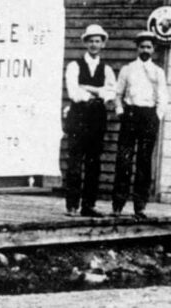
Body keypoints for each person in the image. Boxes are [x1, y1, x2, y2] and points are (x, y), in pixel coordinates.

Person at [112, 30, 168, 219]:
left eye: (149, 47)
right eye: (142, 46)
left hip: (148, 117)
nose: (145, 50)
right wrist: (121, 111)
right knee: (124, 160)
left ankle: (140, 206)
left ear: (153, 49)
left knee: (144, 162)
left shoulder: (158, 72)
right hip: (131, 114)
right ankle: (118, 204)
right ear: (137, 48)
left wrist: (156, 116)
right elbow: (118, 94)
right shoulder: (127, 69)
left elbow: (163, 98)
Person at [63, 24, 116, 217]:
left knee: (94, 162)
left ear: (103, 44)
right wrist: (94, 94)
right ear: (85, 43)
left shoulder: (107, 69)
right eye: (91, 41)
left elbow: (111, 92)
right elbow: (74, 92)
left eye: (98, 41)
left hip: (97, 118)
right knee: (75, 161)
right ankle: (72, 205)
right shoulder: (74, 65)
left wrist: (92, 90)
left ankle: (89, 205)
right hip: (79, 116)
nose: (94, 44)